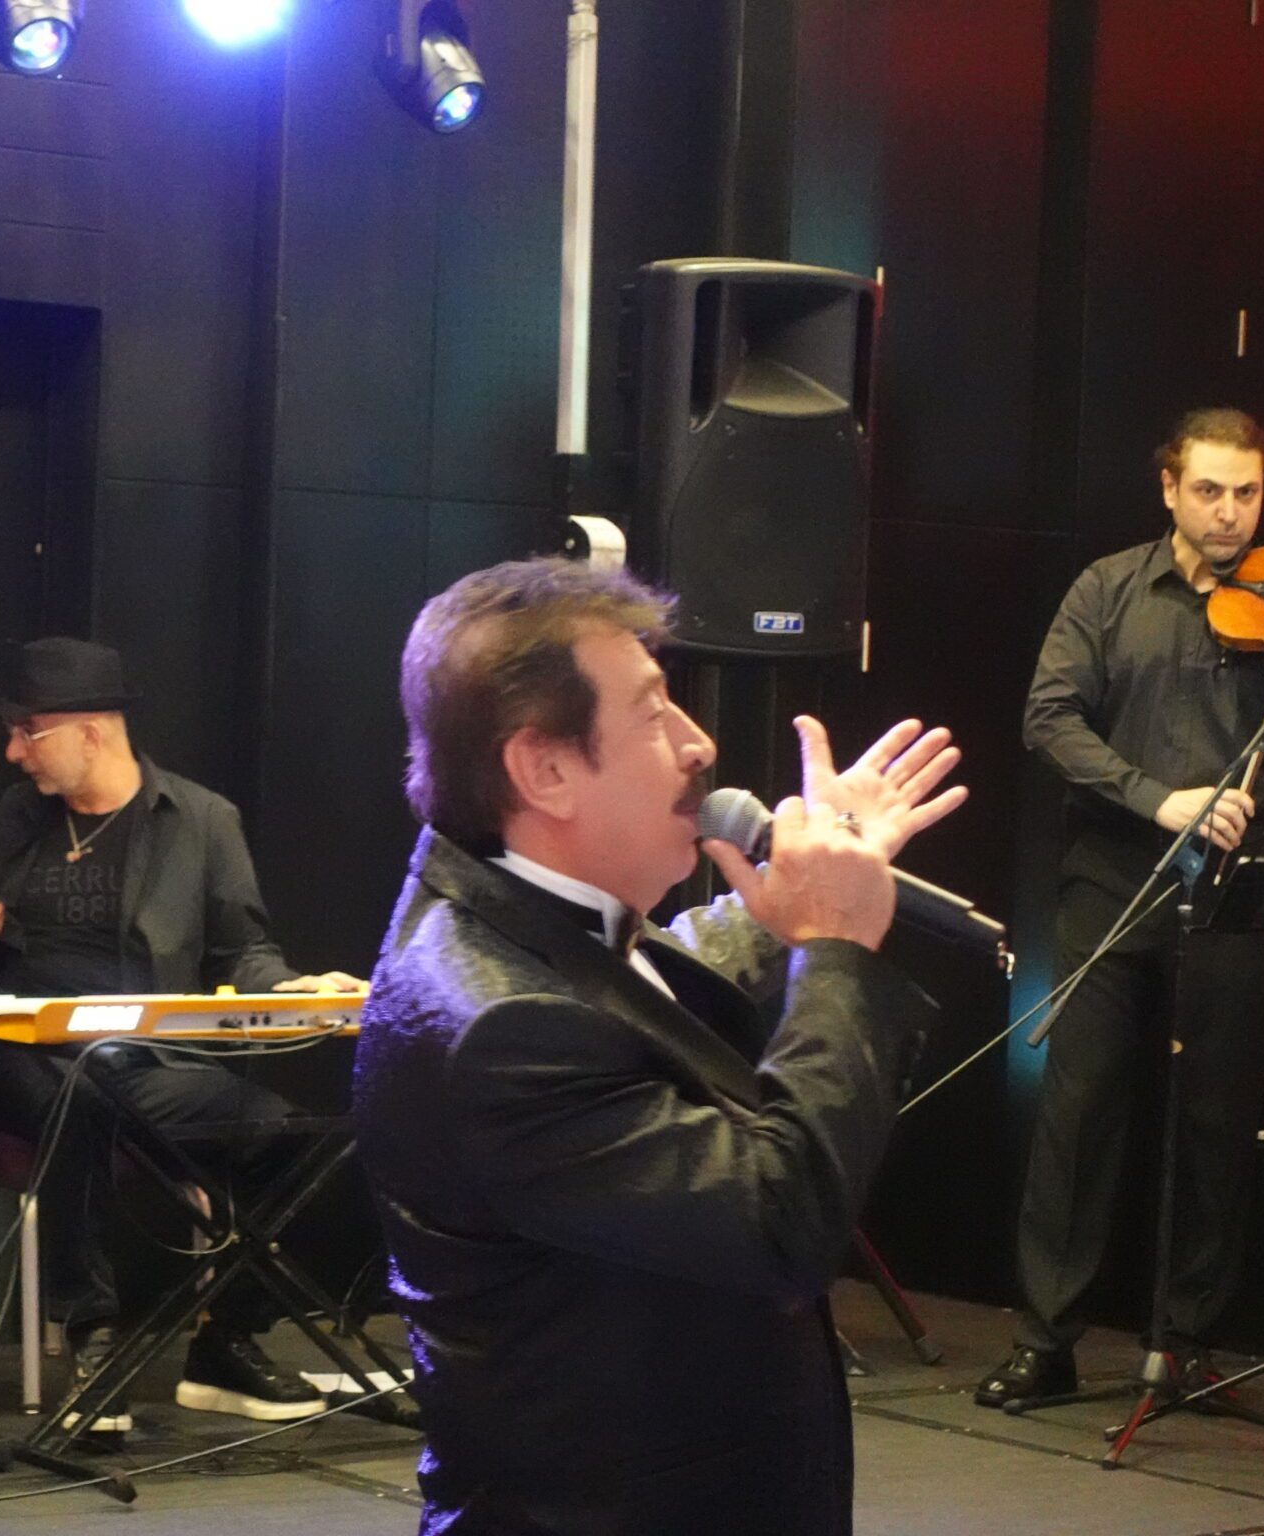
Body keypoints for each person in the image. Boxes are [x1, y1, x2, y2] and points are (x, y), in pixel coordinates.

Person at [350, 556, 965, 1536]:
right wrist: (836, 948)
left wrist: (809, 892)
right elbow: (780, 1223)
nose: (697, 743)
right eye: (650, 713)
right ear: (544, 769)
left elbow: (657, 981)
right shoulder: (501, 1026)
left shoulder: (519, 919)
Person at [976, 409, 1264, 1408]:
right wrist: (1158, 797)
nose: (1229, 513)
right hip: (1113, 877)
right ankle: (1045, 1342)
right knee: (1078, 1114)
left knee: (1216, 1123)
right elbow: (1048, 718)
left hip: (1237, 890)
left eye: (1246, 494)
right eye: (1209, 491)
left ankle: (1186, 1343)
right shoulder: (1105, 590)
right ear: (1168, 488)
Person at [0, 636, 362, 1432]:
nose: (14, 752)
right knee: (79, 1100)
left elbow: (244, 953)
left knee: (295, 1141)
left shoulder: (202, 820)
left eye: (28, 732)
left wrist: (290, 987)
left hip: (144, 1061)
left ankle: (227, 1341)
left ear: (91, 732)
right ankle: (92, 1336)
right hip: (22, 1053)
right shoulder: (23, 817)